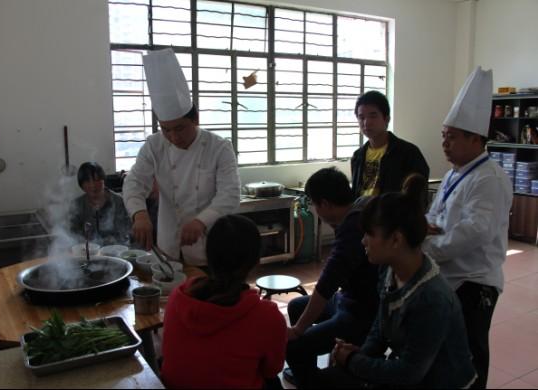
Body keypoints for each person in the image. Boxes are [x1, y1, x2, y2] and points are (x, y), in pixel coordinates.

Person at [317, 174, 477, 388]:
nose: (363, 241)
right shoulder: (388, 269)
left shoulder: (431, 298)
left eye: (369, 235)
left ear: (395, 240)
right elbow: (380, 328)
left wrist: (353, 361)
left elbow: (408, 374)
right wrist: (359, 353)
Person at [423, 66, 513, 389]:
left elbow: (473, 233)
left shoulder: (489, 179)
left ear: (476, 138)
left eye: (452, 137)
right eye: (443, 136)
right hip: (447, 275)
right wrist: (423, 231)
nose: (445, 144)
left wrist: (426, 248)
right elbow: (434, 217)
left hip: (475, 282)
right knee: (446, 352)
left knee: (470, 357)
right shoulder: (453, 173)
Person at [123, 48, 241, 266]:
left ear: (196, 118)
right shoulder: (154, 145)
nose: (173, 137)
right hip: (168, 244)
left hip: (208, 244)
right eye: (166, 129)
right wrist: (139, 214)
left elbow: (230, 195)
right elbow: (134, 182)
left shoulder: (219, 147)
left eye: (180, 128)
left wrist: (200, 221)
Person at [160, 214, 287, 389]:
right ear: (256, 261)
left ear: (208, 256)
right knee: (274, 383)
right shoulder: (267, 316)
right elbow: (272, 370)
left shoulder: (178, 297)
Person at [284, 167, 379, 388]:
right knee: (297, 306)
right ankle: (309, 373)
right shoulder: (361, 205)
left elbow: (325, 286)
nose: (316, 211)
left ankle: (315, 383)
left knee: (293, 345)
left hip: (361, 311)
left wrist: (298, 330)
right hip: (347, 298)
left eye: (316, 205)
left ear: (325, 204)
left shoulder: (352, 228)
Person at [351, 90, 430, 198]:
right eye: (361, 117)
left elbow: (418, 197)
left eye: (373, 116)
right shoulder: (357, 156)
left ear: (386, 119)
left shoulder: (408, 153)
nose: (366, 123)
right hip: (362, 214)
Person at [69, 162, 131, 245]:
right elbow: (73, 234)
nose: (93, 185)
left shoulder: (118, 201)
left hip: (116, 250)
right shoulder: (77, 204)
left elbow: (125, 232)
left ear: (104, 180)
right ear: (81, 185)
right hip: (87, 251)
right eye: (88, 181)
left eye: (97, 180)